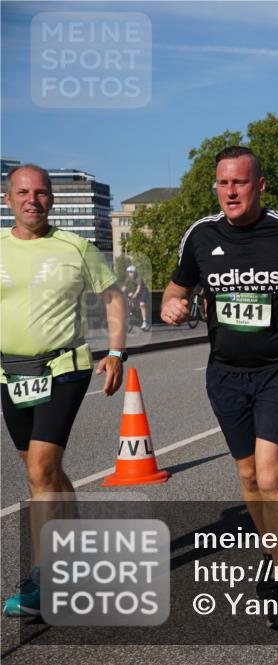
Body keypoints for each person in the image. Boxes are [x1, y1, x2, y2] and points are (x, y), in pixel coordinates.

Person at [160, 146, 278, 629]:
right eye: (222, 183)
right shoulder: (200, 235)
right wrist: (172, 306)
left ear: (259, 185)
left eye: (239, 183)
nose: (229, 192)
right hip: (224, 373)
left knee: (270, 476)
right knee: (247, 478)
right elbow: (176, 287)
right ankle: (274, 551)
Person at [1, 164, 127, 617]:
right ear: (7, 199)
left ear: (51, 199)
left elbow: (113, 297)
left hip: (63, 369)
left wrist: (115, 352)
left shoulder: (75, 248)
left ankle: (45, 579)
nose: (33, 199)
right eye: (23, 192)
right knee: (44, 473)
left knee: (39, 470)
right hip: (10, 376)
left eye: (41, 192)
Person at [123, 265, 151, 331]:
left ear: (135, 272)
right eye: (129, 272)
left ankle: (145, 322)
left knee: (142, 304)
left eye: (131, 272)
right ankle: (129, 322)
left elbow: (138, 288)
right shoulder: (128, 279)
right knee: (129, 305)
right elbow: (124, 288)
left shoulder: (138, 278)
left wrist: (134, 294)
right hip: (135, 292)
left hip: (143, 291)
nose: (129, 274)